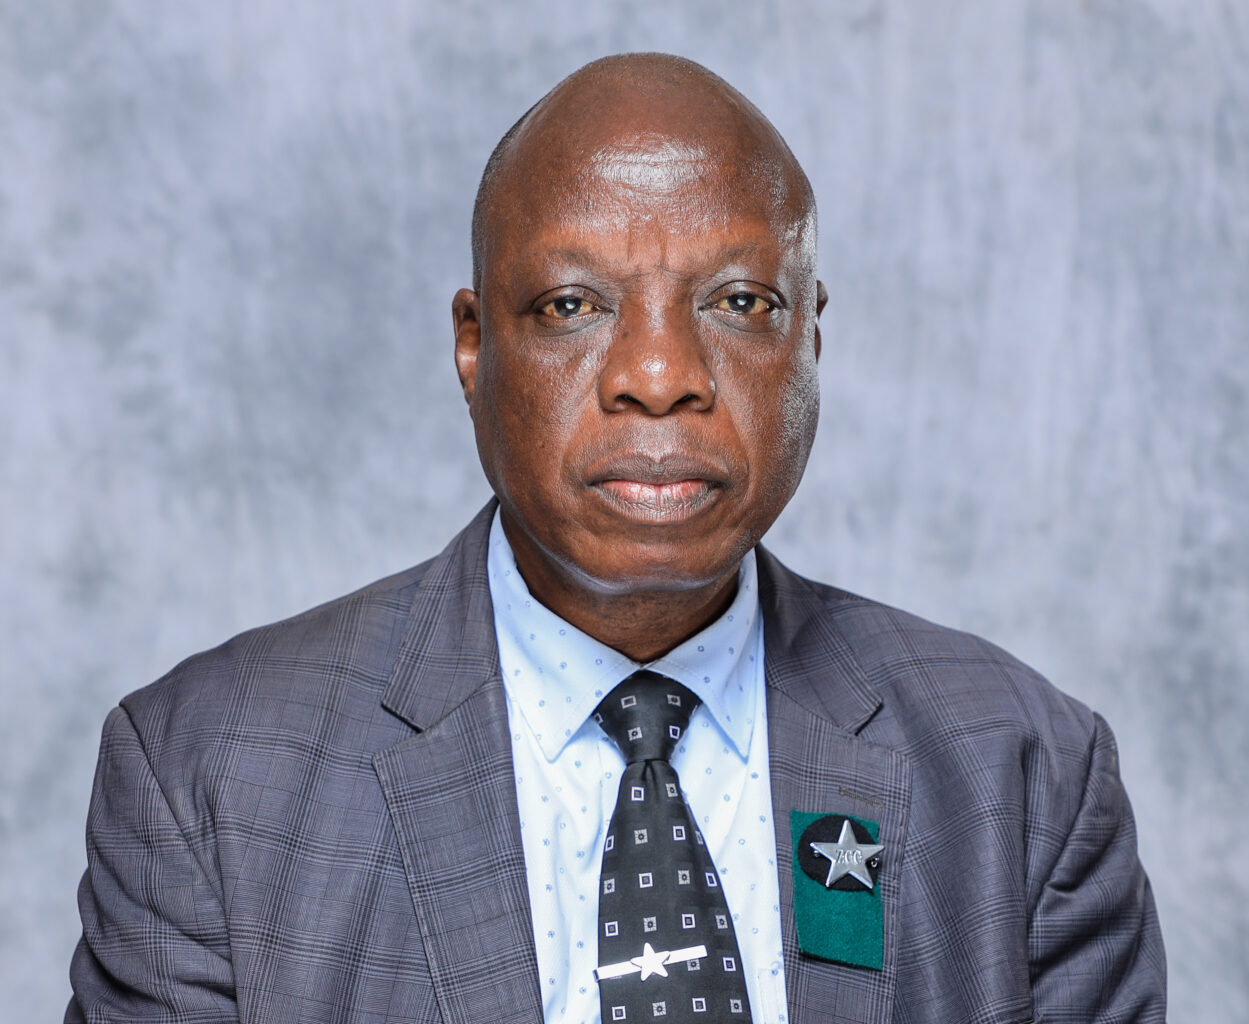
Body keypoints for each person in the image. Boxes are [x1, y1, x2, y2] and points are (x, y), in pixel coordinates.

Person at [66, 53, 1165, 1024]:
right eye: (571, 306)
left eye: (740, 302)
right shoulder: (210, 778)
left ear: (810, 343)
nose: (658, 375)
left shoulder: (1023, 775)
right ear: (472, 346)